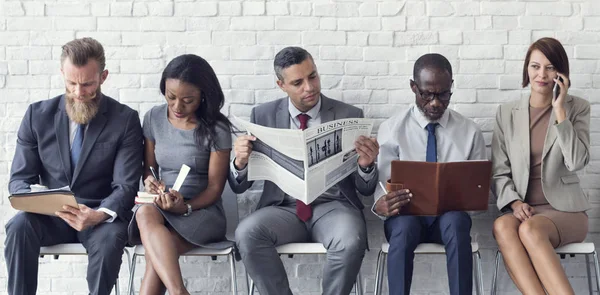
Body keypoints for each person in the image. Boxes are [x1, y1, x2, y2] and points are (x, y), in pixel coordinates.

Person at [229, 46, 380, 295]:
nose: (309, 87)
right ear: (281, 85)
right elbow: (239, 187)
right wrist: (240, 163)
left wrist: (366, 166)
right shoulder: (262, 115)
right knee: (247, 234)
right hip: (283, 208)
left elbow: (365, 189)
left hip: (334, 207)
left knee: (350, 239)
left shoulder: (349, 115)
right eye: (298, 82)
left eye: (313, 76)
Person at [4, 37, 143, 295]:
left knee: (112, 238)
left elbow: (125, 186)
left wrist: (99, 214)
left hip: (99, 218)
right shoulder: (37, 116)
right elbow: (18, 180)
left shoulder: (125, 120)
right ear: (62, 74)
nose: (79, 93)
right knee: (18, 226)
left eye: (88, 84)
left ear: (103, 76)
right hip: (53, 216)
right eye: (71, 83)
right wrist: (37, 199)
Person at [374, 53, 487, 295]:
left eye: (443, 94)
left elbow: (478, 200)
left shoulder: (470, 131)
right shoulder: (392, 130)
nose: (435, 103)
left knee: (457, 222)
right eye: (427, 94)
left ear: (451, 88)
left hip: (448, 220)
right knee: (403, 229)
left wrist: (469, 197)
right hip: (405, 219)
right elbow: (382, 188)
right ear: (413, 87)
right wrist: (381, 205)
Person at [491, 37, 590, 295]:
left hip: (566, 212)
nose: (541, 74)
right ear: (527, 69)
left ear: (561, 72)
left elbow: (577, 161)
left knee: (531, 229)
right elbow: (499, 172)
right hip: (524, 209)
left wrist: (560, 111)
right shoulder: (506, 113)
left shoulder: (577, 108)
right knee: (502, 225)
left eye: (550, 67)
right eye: (535, 66)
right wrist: (514, 203)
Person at [128, 54, 233, 295]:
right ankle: (179, 291)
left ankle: (177, 292)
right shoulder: (153, 118)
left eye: (188, 100)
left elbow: (215, 189)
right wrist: (151, 182)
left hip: (201, 211)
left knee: (159, 258)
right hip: (161, 207)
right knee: (145, 214)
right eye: (171, 97)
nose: (177, 107)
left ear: (203, 95)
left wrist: (184, 207)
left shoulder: (216, 128)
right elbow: (149, 169)